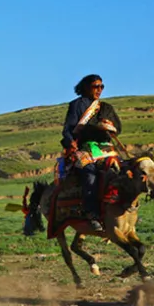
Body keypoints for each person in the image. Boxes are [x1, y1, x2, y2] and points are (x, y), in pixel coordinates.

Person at [61, 74, 122, 232]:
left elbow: (119, 128)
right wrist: (71, 143)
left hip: (106, 147)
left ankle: (122, 209)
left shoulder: (106, 107)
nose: (99, 90)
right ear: (86, 87)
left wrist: (111, 125)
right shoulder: (76, 105)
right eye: (96, 86)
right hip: (85, 147)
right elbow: (68, 129)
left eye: (102, 86)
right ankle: (91, 213)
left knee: (123, 171)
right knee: (89, 173)